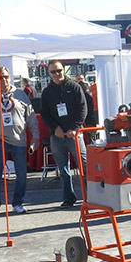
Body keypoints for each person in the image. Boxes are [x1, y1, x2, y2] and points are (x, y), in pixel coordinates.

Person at [0, 66, 39, 217]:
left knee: (22, 174)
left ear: (10, 77)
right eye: (0, 77)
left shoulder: (20, 95)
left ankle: (18, 203)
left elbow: (31, 117)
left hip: (19, 140)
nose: (4, 80)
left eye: (6, 76)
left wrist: (35, 136)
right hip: (0, 141)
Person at [40, 60, 87, 208]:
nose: (57, 74)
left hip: (74, 134)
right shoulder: (47, 92)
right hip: (57, 136)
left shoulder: (74, 87)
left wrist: (75, 128)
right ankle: (68, 198)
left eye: (59, 70)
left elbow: (82, 109)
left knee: (83, 165)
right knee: (63, 169)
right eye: (53, 72)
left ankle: (90, 196)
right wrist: (55, 128)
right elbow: (45, 114)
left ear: (64, 70)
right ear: (49, 73)